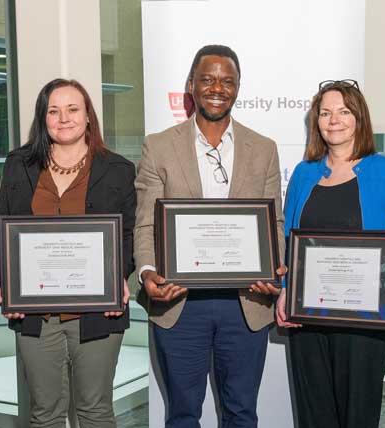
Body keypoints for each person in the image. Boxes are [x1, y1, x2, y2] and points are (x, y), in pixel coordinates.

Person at [134, 44, 286, 428]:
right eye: (207, 79)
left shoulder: (264, 149)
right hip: (180, 304)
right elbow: (146, 223)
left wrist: (272, 270)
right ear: (191, 85)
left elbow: (274, 223)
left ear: (237, 88)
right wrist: (148, 272)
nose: (217, 88)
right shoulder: (159, 146)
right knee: (183, 415)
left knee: (241, 413)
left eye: (227, 81)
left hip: (245, 303)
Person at [0, 78, 136, 428]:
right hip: (36, 313)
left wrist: (120, 278)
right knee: (45, 414)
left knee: (96, 410)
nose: (63, 118)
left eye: (72, 109)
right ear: (43, 118)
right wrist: (9, 280)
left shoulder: (118, 169)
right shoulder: (18, 164)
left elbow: (128, 233)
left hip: (99, 310)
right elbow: (0, 228)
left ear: (88, 117)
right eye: (53, 111)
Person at [275, 79, 385, 427]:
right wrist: (283, 292)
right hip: (308, 317)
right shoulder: (304, 174)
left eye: (343, 111)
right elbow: (289, 243)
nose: (333, 120)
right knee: (314, 413)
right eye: (325, 113)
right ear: (316, 121)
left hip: (363, 319)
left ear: (359, 118)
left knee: (358, 415)